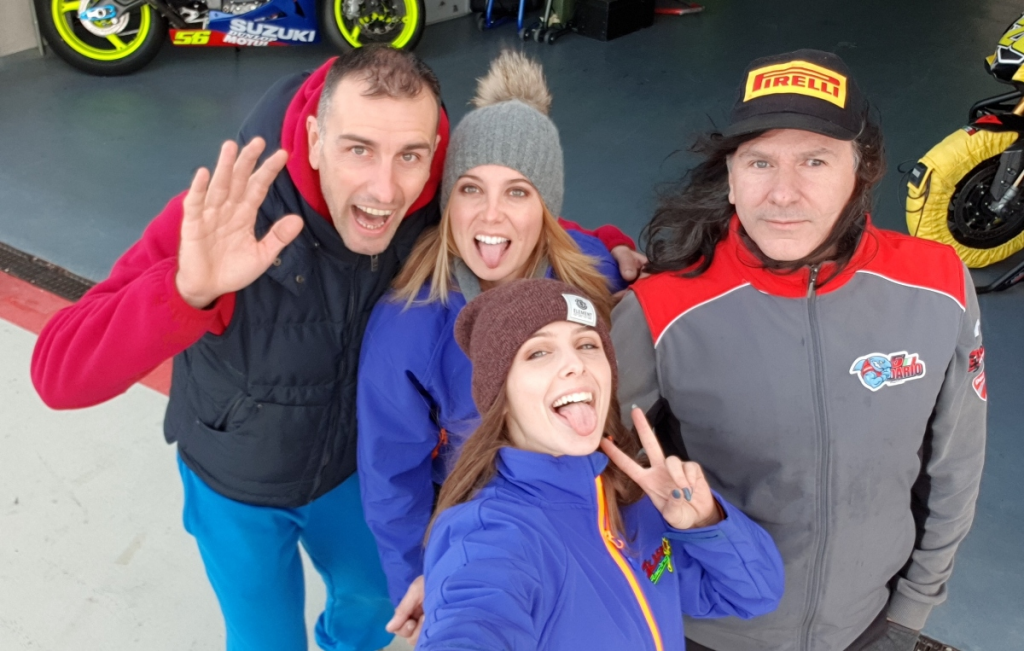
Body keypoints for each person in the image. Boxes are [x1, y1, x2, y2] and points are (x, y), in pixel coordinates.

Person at [30, 47, 638, 651]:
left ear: (434, 156)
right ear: (316, 139)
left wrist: (605, 248)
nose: (384, 189)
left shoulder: (426, 197)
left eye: (410, 156)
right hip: (234, 481)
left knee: (371, 612)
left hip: (349, 474)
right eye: (358, 150)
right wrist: (186, 290)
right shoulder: (231, 213)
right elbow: (59, 373)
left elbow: (506, 211)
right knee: (263, 640)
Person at [613, 49, 987, 651]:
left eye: (815, 160)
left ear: (860, 172)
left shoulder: (938, 283)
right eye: (760, 162)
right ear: (731, 177)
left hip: (870, 627)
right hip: (707, 632)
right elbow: (585, 474)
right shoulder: (660, 310)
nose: (783, 194)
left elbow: (955, 466)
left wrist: (910, 612)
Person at [356, 51, 631, 642]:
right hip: (485, 541)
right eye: (470, 188)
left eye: (518, 192)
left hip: (591, 521)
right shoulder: (409, 325)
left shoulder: (593, 275)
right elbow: (391, 476)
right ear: (447, 200)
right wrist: (419, 574)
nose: (490, 215)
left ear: (546, 208)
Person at [411, 277, 783, 649]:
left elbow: (755, 594)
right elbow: (474, 619)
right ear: (501, 397)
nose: (576, 364)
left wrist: (705, 522)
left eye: (587, 345)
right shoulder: (489, 532)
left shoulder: (634, 496)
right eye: (538, 352)